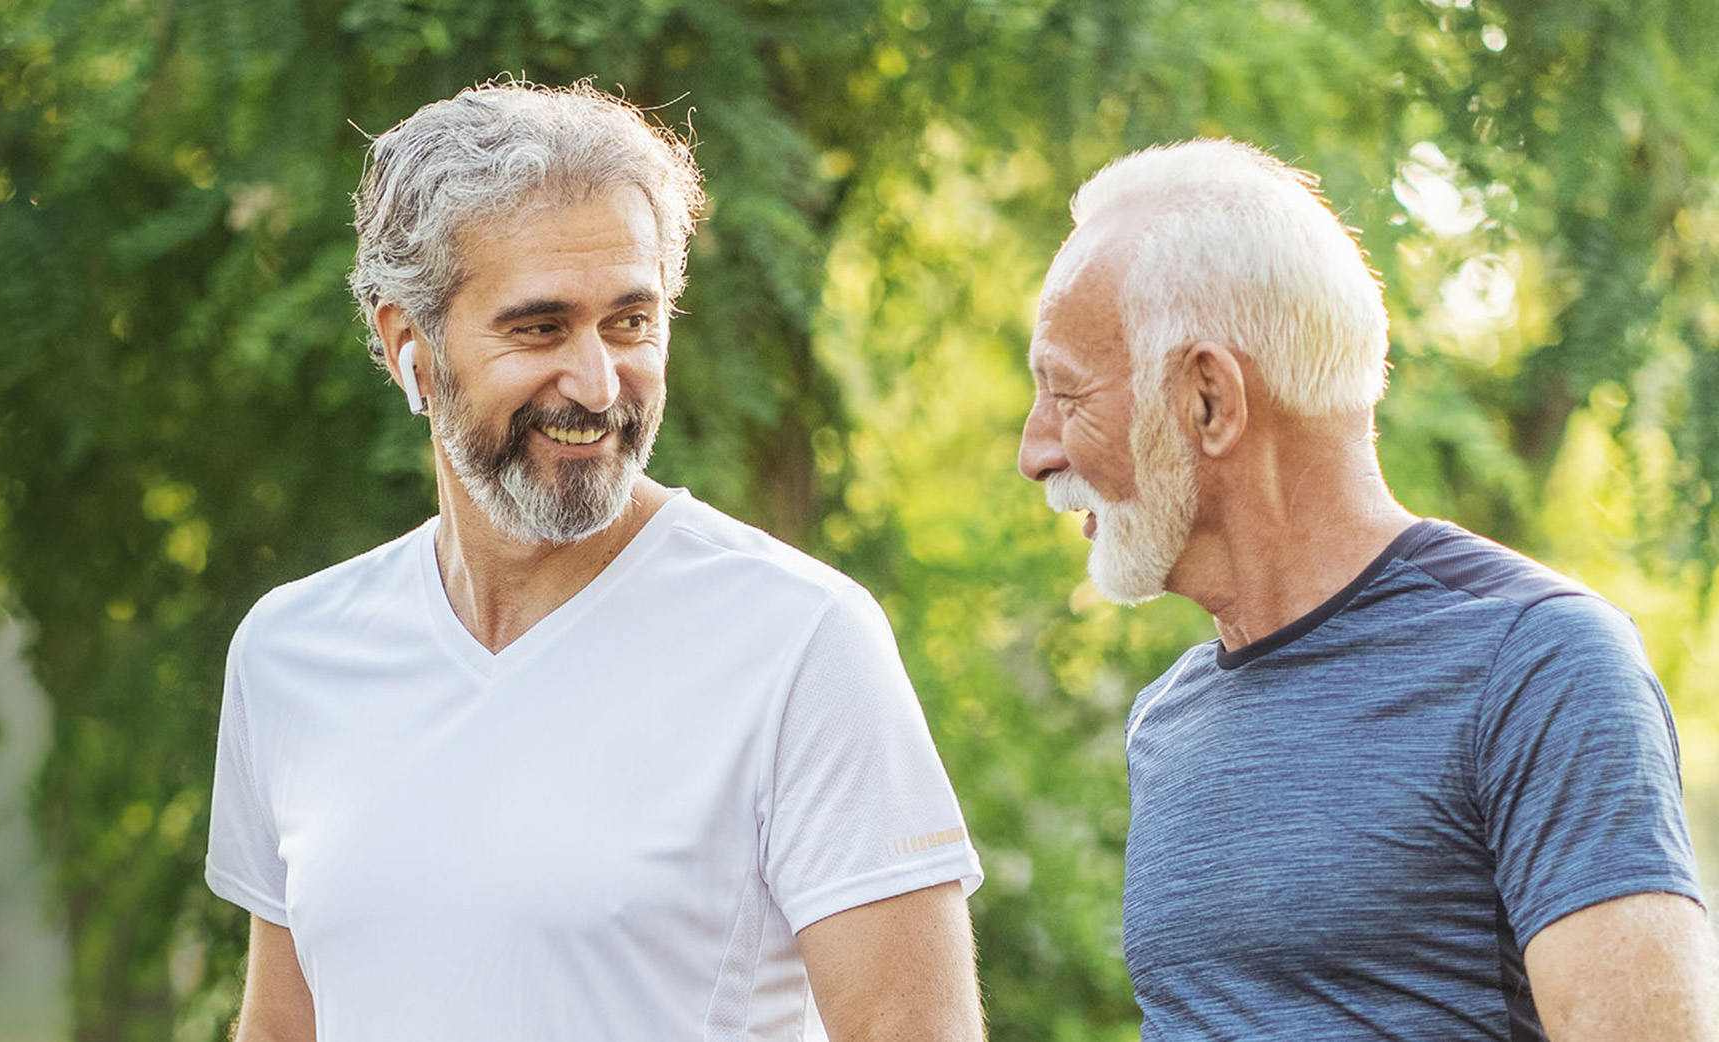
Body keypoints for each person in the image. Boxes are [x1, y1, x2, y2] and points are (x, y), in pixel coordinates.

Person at [205, 80, 985, 1042]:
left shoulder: (804, 641)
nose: (598, 381)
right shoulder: (292, 651)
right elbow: (283, 1029)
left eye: (630, 321)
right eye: (539, 327)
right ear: (409, 346)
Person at [1017, 138, 1719, 1041]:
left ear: (1209, 401)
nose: (1036, 452)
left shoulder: (1539, 664)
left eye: (1066, 397)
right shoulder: (1167, 719)